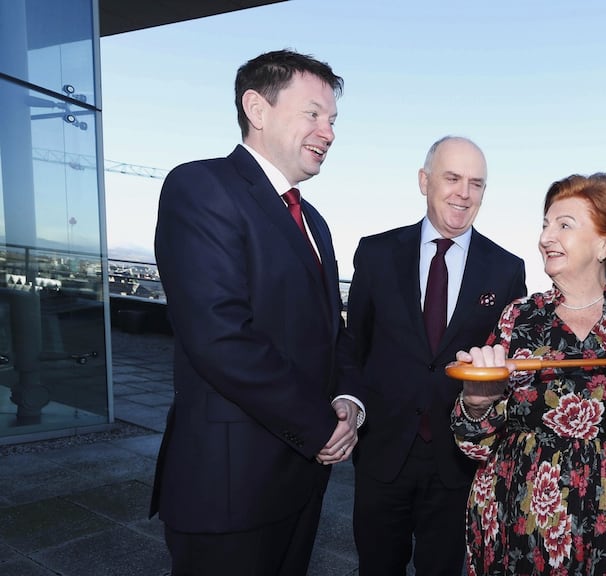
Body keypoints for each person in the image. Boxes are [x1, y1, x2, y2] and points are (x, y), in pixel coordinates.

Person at [149, 49, 364, 576]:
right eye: (313, 114)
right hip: (229, 489)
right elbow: (220, 337)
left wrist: (348, 400)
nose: (328, 132)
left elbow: (330, 334)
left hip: (298, 482)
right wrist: (321, 427)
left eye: (332, 120)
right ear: (257, 108)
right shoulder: (200, 187)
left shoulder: (313, 219)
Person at [453, 173, 606, 575]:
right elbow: (474, 447)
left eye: (564, 225)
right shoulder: (519, 317)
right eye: (545, 225)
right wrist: (478, 403)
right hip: (520, 523)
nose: (547, 236)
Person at [346, 136, 527, 575]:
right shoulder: (375, 253)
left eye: (476, 183)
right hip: (382, 451)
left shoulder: (507, 269)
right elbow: (353, 348)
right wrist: (349, 405)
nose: (464, 193)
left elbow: (510, 365)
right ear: (424, 181)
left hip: (457, 462)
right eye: (452, 178)